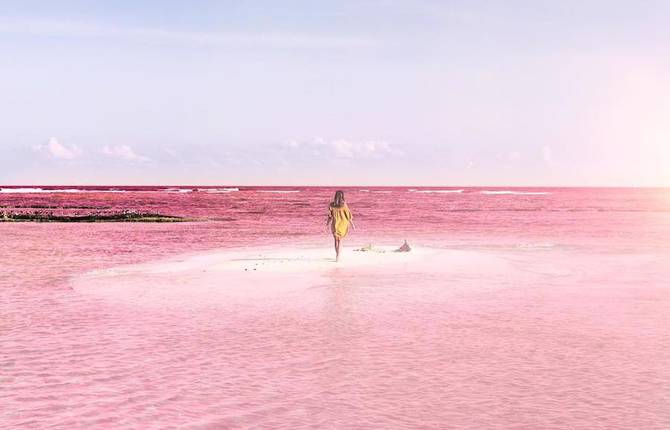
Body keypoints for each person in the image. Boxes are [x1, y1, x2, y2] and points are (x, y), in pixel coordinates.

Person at [326, 190, 354, 262]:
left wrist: (327, 224)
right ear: (342, 196)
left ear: (335, 196)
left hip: (335, 224)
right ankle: (338, 256)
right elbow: (348, 215)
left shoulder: (331, 205)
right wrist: (352, 224)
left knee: (335, 240)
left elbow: (330, 216)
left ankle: (337, 255)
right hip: (343, 224)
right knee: (340, 240)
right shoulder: (344, 204)